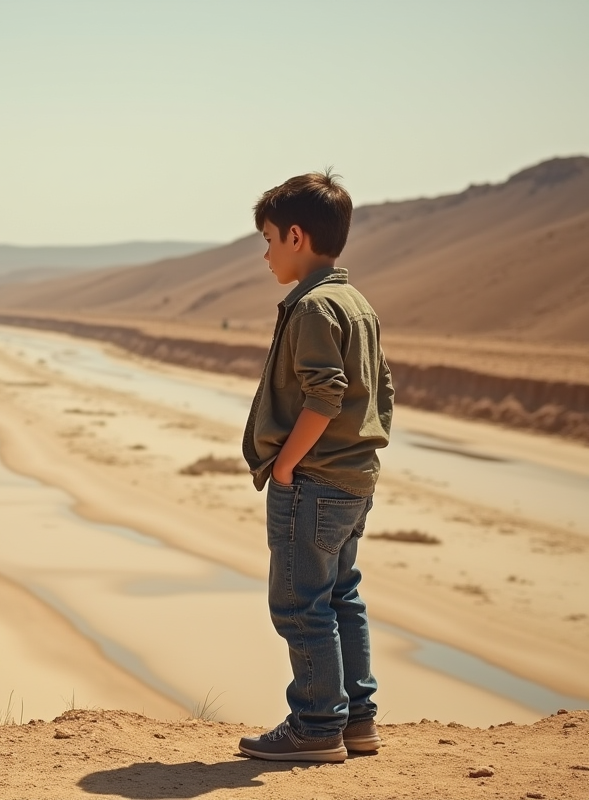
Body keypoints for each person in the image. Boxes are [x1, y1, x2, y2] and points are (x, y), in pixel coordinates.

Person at [238, 170, 394, 763]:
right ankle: (357, 722)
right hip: (353, 480)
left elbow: (324, 396)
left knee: (300, 605)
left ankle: (316, 725)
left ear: (296, 236)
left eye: (269, 240)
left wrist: (285, 467)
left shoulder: (313, 307)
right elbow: (381, 390)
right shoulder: (358, 305)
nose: (267, 254)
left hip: (313, 482)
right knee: (341, 597)